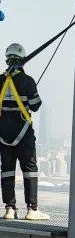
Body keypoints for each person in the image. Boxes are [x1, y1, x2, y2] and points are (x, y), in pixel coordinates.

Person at [0, 43, 50, 221]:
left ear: (7, 61)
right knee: (30, 169)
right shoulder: (27, 81)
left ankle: (10, 209)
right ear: (23, 62)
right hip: (24, 133)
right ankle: (32, 208)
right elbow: (35, 106)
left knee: (7, 170)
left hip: (3, 134)